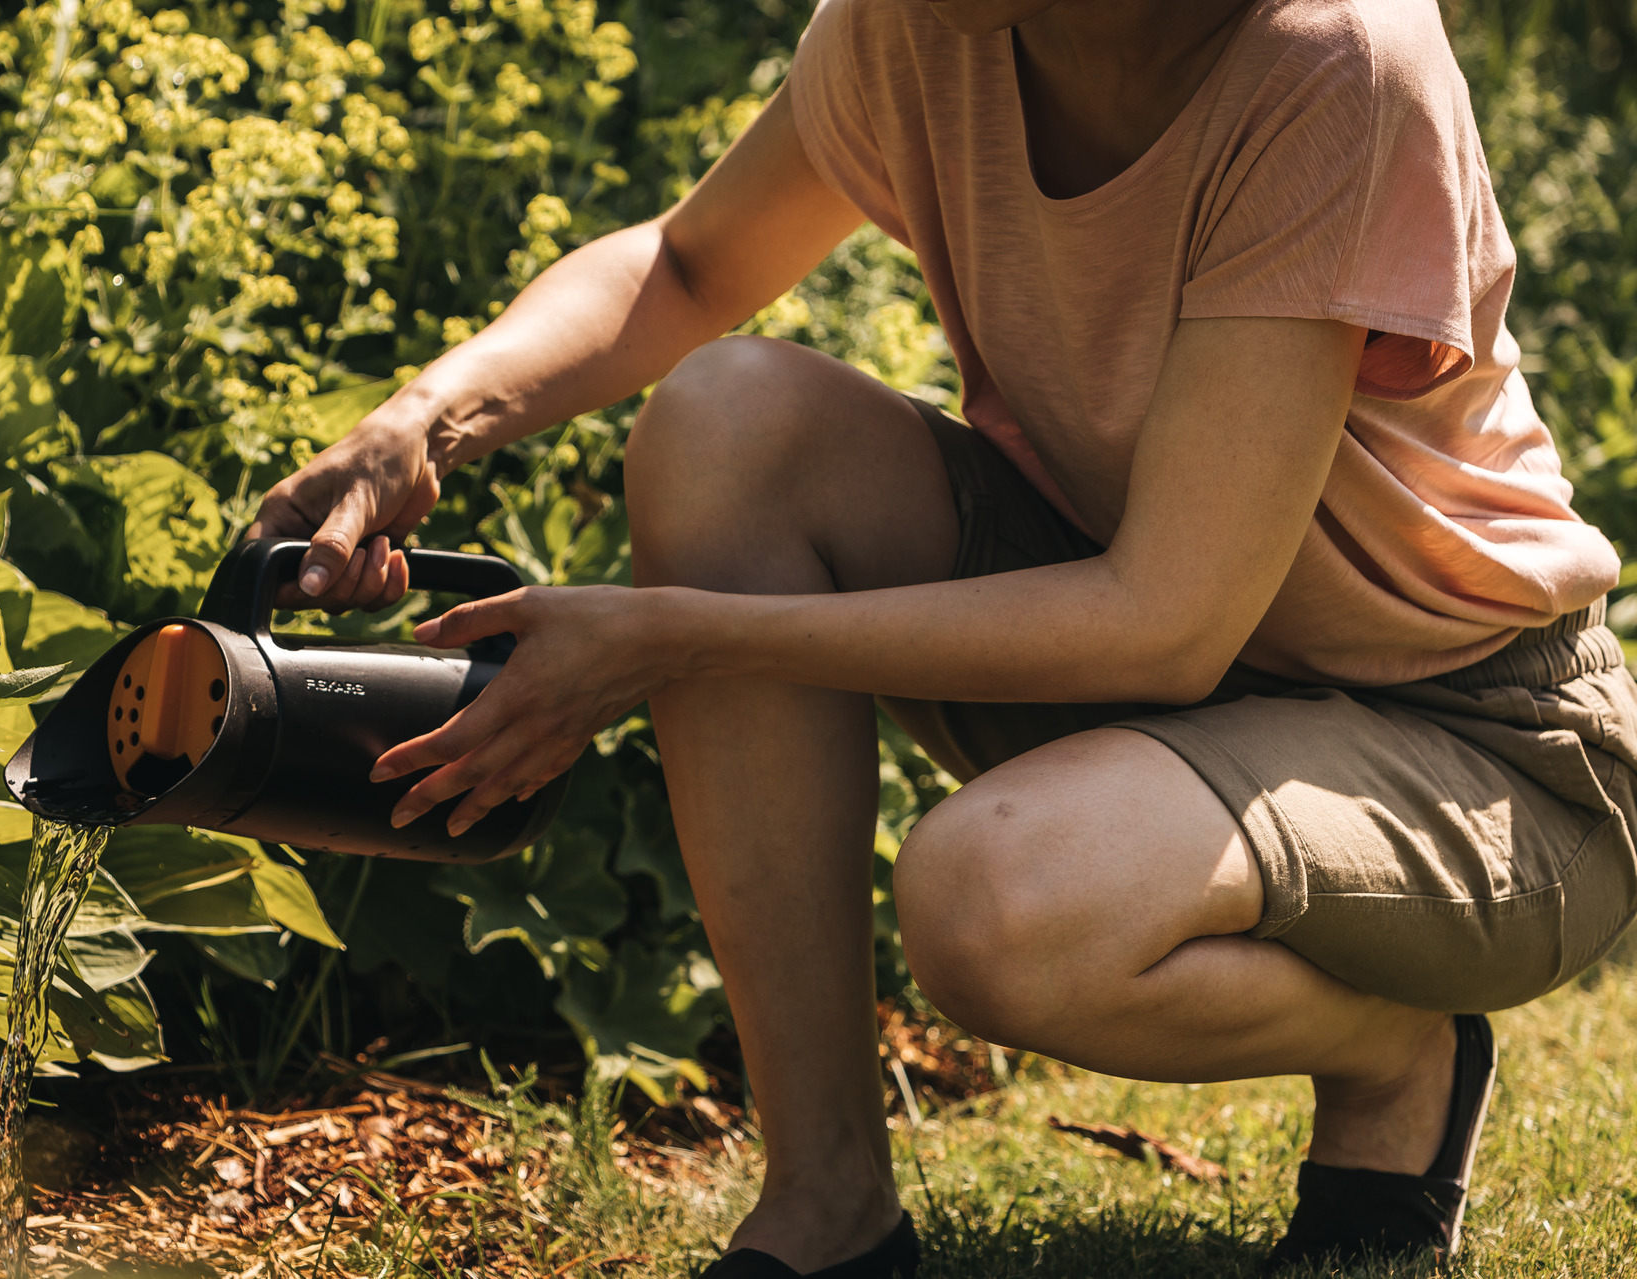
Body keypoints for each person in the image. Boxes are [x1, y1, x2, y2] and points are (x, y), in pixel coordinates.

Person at [249, 0, 1637, 1272]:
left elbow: (1166, 622)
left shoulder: (1332, 61)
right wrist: (421, 420)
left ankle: (1400, 1052)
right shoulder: (932, 23)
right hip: (1193, 676)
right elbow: (685, 265)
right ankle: (828, 1205)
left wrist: (674, 640)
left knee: (995, 906)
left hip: (1479, 746)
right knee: (730, 424)